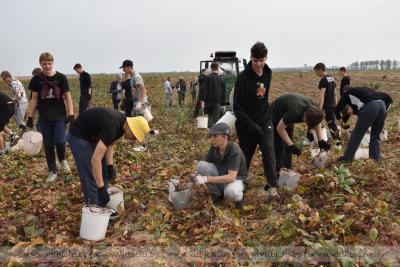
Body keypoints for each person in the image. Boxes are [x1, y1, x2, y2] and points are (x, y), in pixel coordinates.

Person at [68, 107, 150, 210]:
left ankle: (102, 205)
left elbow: (109, 143)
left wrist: (109, 166)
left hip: (92, 137)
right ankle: (93, 210)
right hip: (78, 135)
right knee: (91, 176)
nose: (133, 140)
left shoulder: (122, 124)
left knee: (104, 172)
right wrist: (101, 187)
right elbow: (95, 160)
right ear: (132, 128)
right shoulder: (113, 125)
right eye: (134, 137)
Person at [233, 42, 277, 197]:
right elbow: (237, 108)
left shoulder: (268, 73)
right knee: (245, 156)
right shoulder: (242, 79)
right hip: (246, 125)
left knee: (269, 152)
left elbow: (263, 100)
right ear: (251, 58)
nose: (259, 64)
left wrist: (263, 122)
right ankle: (240, 185)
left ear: (266, 59)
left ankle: (272, 187)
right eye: (255, 60)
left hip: (265, 121)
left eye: (262, 60)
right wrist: (251, 125)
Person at [27, 52, 74, 182]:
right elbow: (34, 99)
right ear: (40, 64)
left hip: (59, 115)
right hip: (44, 117)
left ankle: (63, 160)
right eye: (44, 63)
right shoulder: (36, 79)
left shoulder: (61, 78)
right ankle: (52, 170)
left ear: (52, 63)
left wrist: (71, 114)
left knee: (60, 140)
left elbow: (68, 97)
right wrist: (30, 117)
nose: (47, 66)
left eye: (49, 63)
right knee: (48, 145)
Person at [271, 93, 331, 171]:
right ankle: (277, 170)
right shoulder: (294, 111)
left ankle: (287, 168)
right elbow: (280, 128)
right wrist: (291, 145)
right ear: (305, 116)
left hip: (288, 115)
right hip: (275, 114)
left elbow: (317, 122)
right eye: (306, 122)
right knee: (280, 146)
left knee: (288, 144)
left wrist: (320, 140)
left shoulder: (315, 108)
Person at [195, 122, 247, 209]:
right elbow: (206, 164)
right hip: (221, 174)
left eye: (215, 136)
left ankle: (239, 199)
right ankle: (217, 194)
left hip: (235, 179)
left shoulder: (234, 150)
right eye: (211, 136)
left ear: (225, 137)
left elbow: (231, 177)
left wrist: (206, 179)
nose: (212, 139)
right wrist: (195, 176)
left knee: (232, 192)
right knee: (201, 165)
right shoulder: (214, 147)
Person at [335, 86, 392, 163]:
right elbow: (347, 115)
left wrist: (341, 124)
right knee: (375, 136)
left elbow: (336, 110)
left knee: (357, 134)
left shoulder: (346, 94)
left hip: (371, 106)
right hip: (382, 105)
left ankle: (346, 158)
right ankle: (375, 161)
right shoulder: (362, 93)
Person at [314, 63, 340, 143]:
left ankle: (338, 142)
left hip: (327, 106)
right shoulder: (332, 78)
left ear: (320, 70)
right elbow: (335, 93)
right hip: (332, 105)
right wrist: (336, 105)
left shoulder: (323, 80)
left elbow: (322, 96)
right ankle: (337, 140)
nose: (316, 74)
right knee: (332, 122)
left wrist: (320, 109)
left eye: (316, 71)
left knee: (331, 123)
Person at [199, 63, 226, 127]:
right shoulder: (221, 80)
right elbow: (223, 93)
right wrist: (223, 104)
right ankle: (214, 132)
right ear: (217, 69)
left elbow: (204, 90)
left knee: (207, 117)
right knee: (216, 120)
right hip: (217, 103)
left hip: (208, 102)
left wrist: (202, 101)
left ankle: (210, 130)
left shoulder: (207, 78)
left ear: (211, 69)